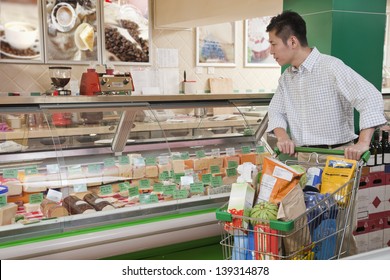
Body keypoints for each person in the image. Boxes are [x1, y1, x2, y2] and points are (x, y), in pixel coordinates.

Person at [265, 10, 387, 162]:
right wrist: (283, 137)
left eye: (273, 44)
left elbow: (370, 97)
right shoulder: (286, 78)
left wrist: (362, 143)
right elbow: (276, 111)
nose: (271, 51)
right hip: (304, 157)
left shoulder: (331, 67)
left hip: (336, 157)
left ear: (293, 42)